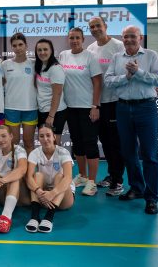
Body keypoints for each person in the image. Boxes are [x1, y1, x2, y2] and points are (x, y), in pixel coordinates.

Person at [104, 25, 158, 215]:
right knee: (128, 152)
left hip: (146, 107)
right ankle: (137, 188)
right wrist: (126, 77)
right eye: (125, 37)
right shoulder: (116, 57)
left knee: (150, 155)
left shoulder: (151, 55)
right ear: (122, 39)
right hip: (122, 108)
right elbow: (108, 81)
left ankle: (151, 198)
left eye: (133, 36)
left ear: (140, 38)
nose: (129, 40)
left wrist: (138, 72)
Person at [59, 27, 102, 196]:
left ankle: (92, 182)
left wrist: (95, 106)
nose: (74, 41)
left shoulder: (90, 56)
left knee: (90, 143)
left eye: (77, 38)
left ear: (83, 39)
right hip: (70, 107)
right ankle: (83, 176)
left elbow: (97, 82)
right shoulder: (63, 55)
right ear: (68, 39)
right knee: (77, 142)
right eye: (72, 38)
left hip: (87, 108)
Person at [87, 16, 126, 196]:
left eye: (98, 25)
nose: (95, 29)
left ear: (106, 26)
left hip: (114, 102)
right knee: (105, 141)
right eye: (92, 27)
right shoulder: (91, 48)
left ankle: (118, 181)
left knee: (115, 143)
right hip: (98, 103)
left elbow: (125, 71)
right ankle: (112, 175)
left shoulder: (118, 46)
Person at [25, 125, 75, 233]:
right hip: (43, 196)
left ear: (54, 137)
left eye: (48, 135)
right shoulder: (35, 153)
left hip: (62, 197)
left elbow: (68, 178)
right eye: (41, 136)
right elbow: (28, 178)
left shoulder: (63, 152)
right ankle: (34, 217)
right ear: (38, 139)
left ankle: (49, 218)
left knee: (60, 176)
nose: (45, 139)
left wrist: (53, 193)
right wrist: (38, 191)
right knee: (37, 175)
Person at [2, 33, 38, 151]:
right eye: (14, 45)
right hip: (11, 108)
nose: (18, 48)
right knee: (14, 142)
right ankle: (15, 163)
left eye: (20, 45)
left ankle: (30, 164)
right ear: (11, 47)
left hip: (30, 107)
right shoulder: (5, 64)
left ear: (26, 46)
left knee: (29, 142)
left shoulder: (34, 63)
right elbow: (0, 85)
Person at [34, 39, 67, 146]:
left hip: (55, 113)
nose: (42, 52)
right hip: (42, 110)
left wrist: (51, 116)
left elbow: (57, 94)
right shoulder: (40, 66)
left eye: (45, 49)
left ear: (51, 51)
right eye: (39, 50)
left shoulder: (55, 68)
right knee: (45, 145)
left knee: (53, 145)